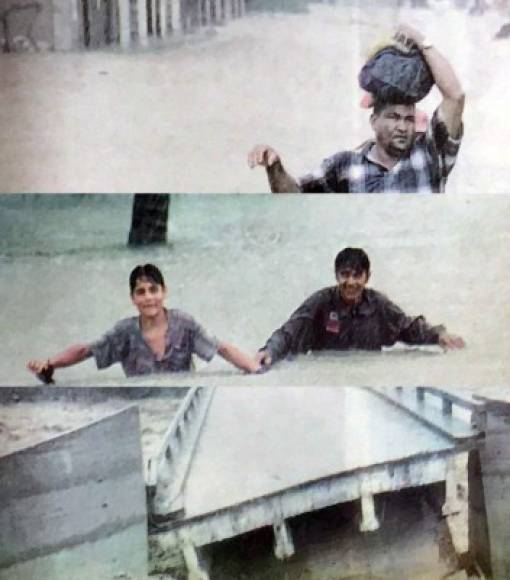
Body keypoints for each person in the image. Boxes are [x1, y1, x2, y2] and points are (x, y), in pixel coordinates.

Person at [248, 24, 465, 193]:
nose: (402, 126)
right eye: (393, 117)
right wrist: (274, 167)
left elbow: (455, 96)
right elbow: (296, 199)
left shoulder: (429, 154)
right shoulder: (345, 166)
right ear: (374, 121)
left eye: (409, 119)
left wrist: (421, 40)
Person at [27, 264, 261, 381]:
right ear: (133, 299)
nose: (149, 297)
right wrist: (50, 364)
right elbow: (86, 351)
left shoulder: (183, 324)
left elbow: (221, 348)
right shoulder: (125, 332)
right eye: (141, 292)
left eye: (153, 290)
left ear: (164, 291)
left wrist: (254, 370)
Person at [256, 248, 465, 368]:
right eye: (345, 274)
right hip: (328, 372)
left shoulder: (379, 304)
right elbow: (290, 332)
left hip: (368, 371)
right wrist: (269, 351)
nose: (350, 282)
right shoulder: (321, 302)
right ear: (336, 275)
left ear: (367, 277)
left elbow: (408, 327)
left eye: (357, 275)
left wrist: (440, 336)